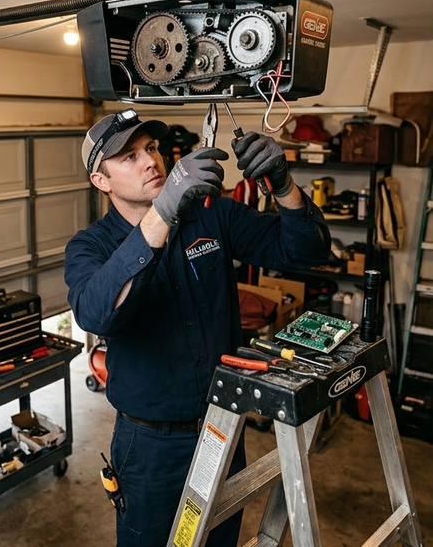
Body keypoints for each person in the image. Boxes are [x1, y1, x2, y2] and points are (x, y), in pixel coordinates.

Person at [64, 107, 330, 547]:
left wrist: (283, 186)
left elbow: (307, 252)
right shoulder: (90, 246)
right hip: (149, 447)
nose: (150, 160)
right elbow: (97, 313)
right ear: (101, 181)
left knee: (220, 539)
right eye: (128, 157)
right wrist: (164, 211)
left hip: (222, 429)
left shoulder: (211, 217)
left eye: (150, 148)